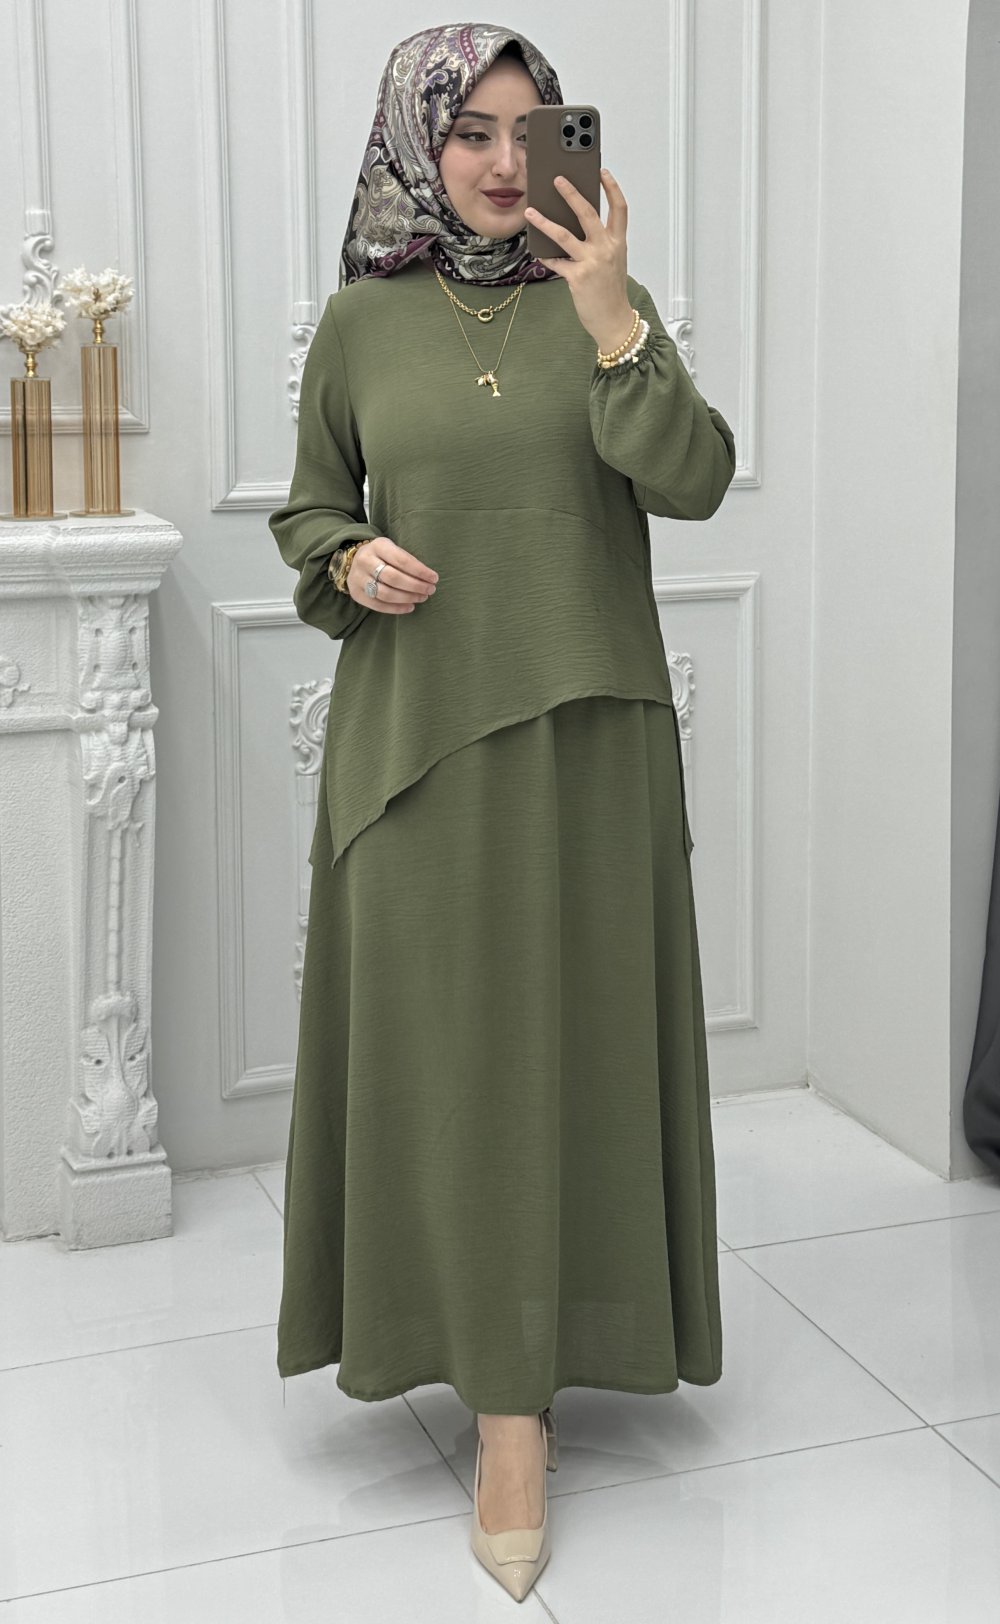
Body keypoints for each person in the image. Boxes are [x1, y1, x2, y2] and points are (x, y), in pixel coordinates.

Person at [269, 22, 736, 1603]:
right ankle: (474, 1377)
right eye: (466, 129)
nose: (494, 160)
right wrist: (348, 559)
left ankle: (528, 1409)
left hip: (592, 732)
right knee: (448, 1069)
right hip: (417, 744)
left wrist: (612, 319)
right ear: (416, 142)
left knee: (574, 1055)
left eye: (528, 131)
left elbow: (693, 478)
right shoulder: (359, 321)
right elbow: (310, 509)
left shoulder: (608, 305)